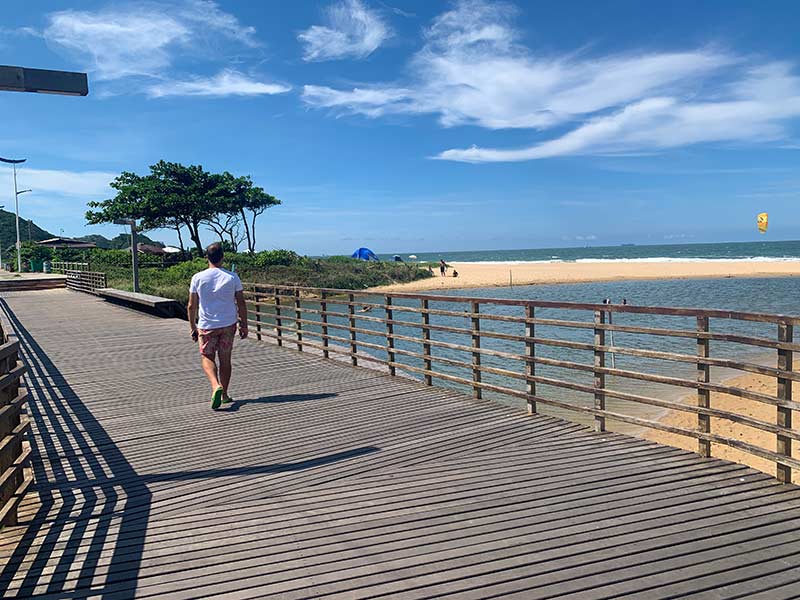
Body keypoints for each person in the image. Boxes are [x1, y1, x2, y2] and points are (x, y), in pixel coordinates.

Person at [188, 242, 248, 410]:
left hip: (207, 325)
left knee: (207, 357)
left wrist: (192, 327)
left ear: (206, 257)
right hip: (228, 324)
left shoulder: (197, 278)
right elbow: (241, 303)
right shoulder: (232, 277)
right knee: (225, 359)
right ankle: (225, 394)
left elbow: (191, 305)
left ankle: (215, 385)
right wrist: (244, 324)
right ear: (222, 257)